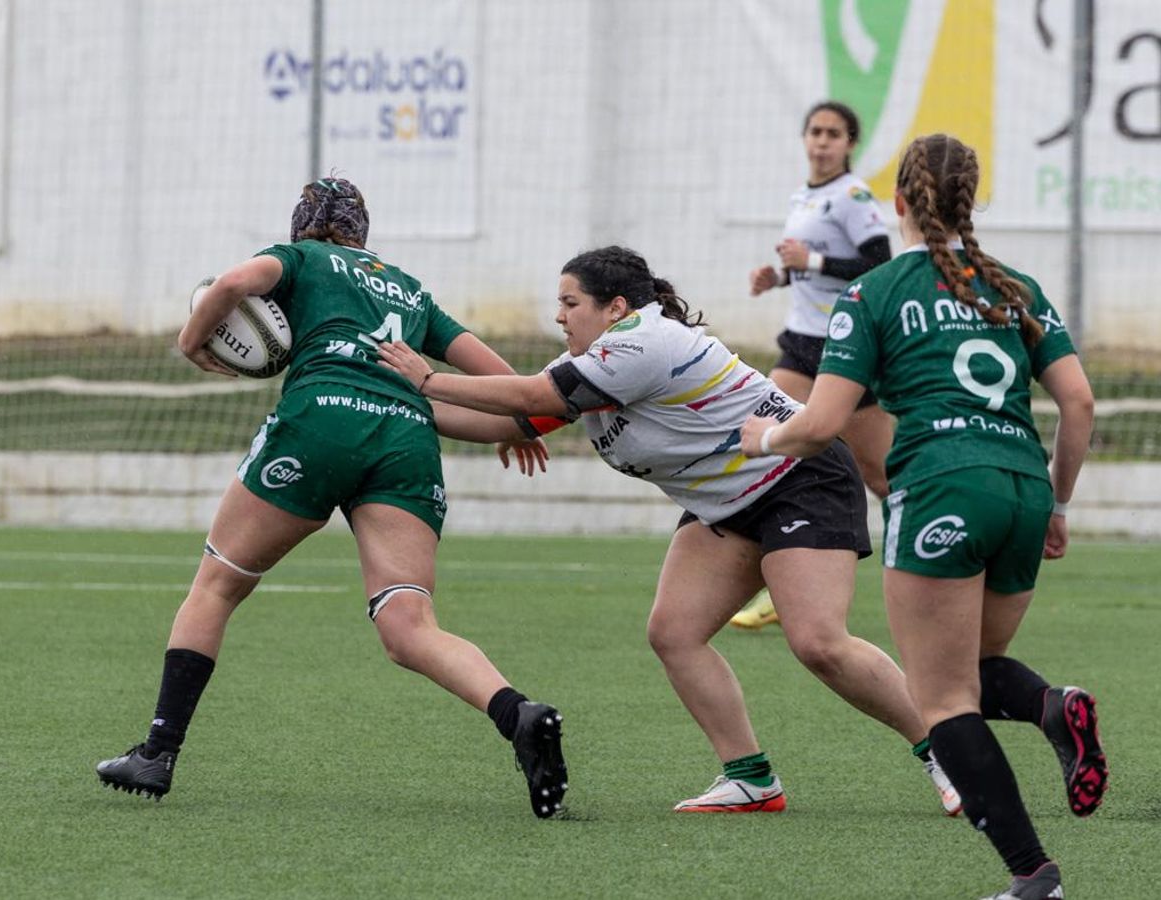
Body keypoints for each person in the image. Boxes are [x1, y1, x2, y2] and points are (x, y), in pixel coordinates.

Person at [377, 245, 960, 816]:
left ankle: (953, 754)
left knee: (819, 643)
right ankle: (750, 778)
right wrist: (385, 401)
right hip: (728, 505)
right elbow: (510, 419)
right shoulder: (592, 361)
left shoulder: (642, 342)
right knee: (675, 632)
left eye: (570, 301)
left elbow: (532, 397)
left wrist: (427, 380)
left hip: (798, 478)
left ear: (616, 307)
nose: (558, 314)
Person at [94, 178, 569, 819]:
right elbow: (510, 382)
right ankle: (518, 712)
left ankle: (157, 751)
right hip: (406, 440)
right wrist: (516, 426)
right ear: (363, 231)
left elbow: (231, 287)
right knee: (409, 626)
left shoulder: (303, 259)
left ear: (302, 225)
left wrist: (189, 341)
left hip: (321, 421)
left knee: (216, 586)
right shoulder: (409, 288)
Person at [737, 133, 1105, 900]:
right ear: (971, 203)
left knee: (942, 703)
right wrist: (1059, 503)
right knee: (969, 669)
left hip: (941, 485)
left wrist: (762, 435)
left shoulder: (874, 292)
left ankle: (1033, 875)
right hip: (1022, 486)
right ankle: (1050, 706)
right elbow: (1079, 402)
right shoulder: (1018, 287)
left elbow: (819, 424)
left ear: (899, 202)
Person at [732, 100, 895, 631]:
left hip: (844, 349)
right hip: (801, 345)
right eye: (815, 132)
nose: (822, 141)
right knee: (765, 449)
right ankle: (783, 581)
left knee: (883, 473)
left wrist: (813, 261)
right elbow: (810, 272)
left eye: (834, 133)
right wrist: (777, 278)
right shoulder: (805, 195)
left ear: (850, 143)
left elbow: (880, 266)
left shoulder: (852, 198)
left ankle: (927, 555)